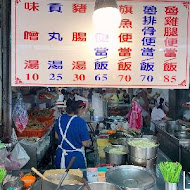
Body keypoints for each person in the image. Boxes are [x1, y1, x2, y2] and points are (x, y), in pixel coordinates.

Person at [55, 98, 90, 169]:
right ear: (80, 109)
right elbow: (85, 143)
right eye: (83, 110)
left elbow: (57, 137)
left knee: (61, 178)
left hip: (60, 156)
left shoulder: (60, 118)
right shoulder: (80, 122)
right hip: (74, 158)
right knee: (76, 179)